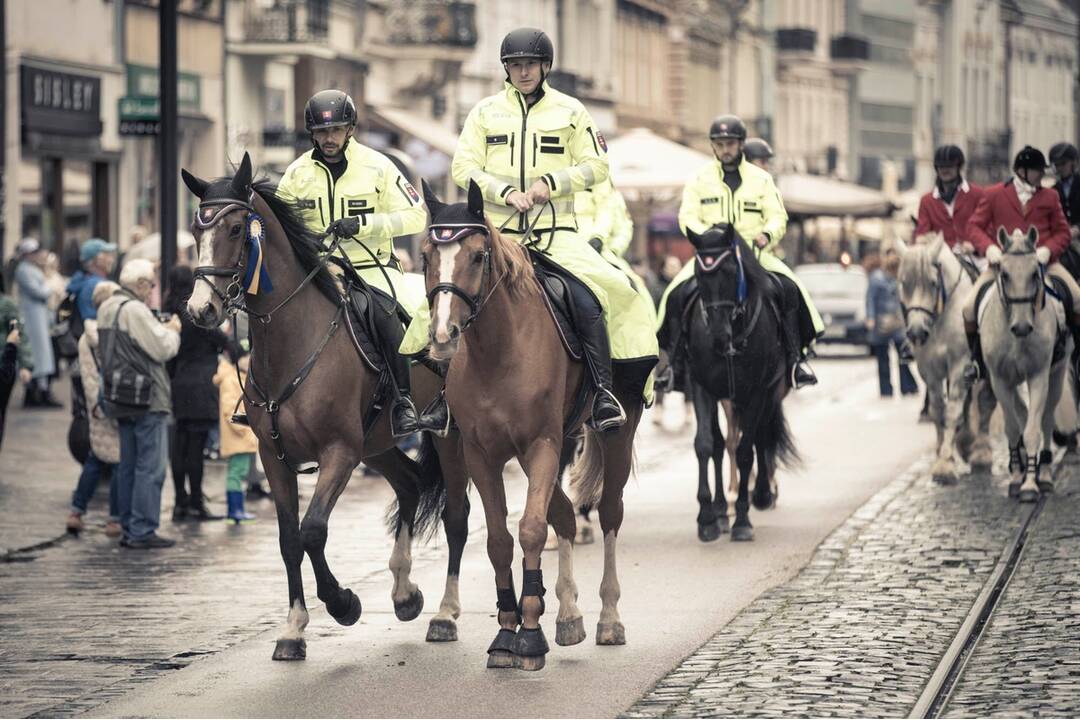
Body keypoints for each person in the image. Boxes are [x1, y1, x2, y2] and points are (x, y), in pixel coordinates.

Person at [400, 27, 659, 431]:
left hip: (556, 235)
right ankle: (437, 401)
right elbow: (464, 166)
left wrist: (551, 185)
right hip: (498, 237)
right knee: (435, 306)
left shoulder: (571, 112)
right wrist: (503, 192)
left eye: (530, 65)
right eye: (515, 65)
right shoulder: (484, 113)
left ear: (545, 67)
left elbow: (597, 166)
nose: (523, 72)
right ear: (506, 69)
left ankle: (606, 393)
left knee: (598, 296)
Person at [276, 89, 427, 438]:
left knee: (384, 313)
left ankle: (404, 401)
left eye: (336, 130)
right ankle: (263, 399)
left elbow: (416, 216)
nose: (329, 139)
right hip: (317, 271)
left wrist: (364, 225)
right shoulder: (297, 174)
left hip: (371, 266)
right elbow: (281, 225)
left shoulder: (379, 166)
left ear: (351, 129)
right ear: (312, 133)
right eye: (322, 132)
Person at [657, 114, 825, 391]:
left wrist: (766, 235)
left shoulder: (761, 179)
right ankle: (673, 364)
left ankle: (796, 360)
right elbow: (688, 216)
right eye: (720, 144)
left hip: (754, 255)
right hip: (712, 256)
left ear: (741, 145)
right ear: (713, 146)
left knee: (788, 288)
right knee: (676, 294)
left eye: (731, 144)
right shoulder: (699, 179)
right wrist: (707, 238)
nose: (726, 149)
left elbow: (776, 216)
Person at [962, 145, 1080, 381]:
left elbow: (1063, 233)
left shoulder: (1050, 196)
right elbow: (973, 227)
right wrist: (990, 249)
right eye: (1038, 171)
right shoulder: (994, 194)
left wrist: (1048, 250)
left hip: (1044, 264)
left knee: (1077, 300)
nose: (1042, 176)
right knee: (967, 307)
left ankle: (1077, 359)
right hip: (1002, 266)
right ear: (1022, 171)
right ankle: (976, 362)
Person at [98, 259, 181, 549]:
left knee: (128, 465)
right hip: (147, 397)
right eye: (151, 285)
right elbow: (162, 348)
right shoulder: (135, 310)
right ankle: (142, 529)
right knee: (151, 467)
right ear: (141, 284)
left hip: (119, 395)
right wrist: (172, 330)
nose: (152, 291)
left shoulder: (108, 306)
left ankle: (125, 523)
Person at [165, 266, 232, 522]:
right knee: (196, 449)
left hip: (179, 382)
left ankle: (180, 502)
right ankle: (196, 502)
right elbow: (224, 342)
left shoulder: (169, 311)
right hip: (201, 385)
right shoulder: (195, 314)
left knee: (179, 445)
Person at [65, 281, 122, 537]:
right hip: (111, 403)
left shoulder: (85, 338)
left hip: (94, 405)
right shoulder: (107, 333)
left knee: (96, 458)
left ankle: (77, 511)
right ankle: (115, 518)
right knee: (119, 459)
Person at [14, 238, 61, 407]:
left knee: (41, 356)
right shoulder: (24, 270)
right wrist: (51, 286)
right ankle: (35, 393)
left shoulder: (30, 269)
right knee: (35, 356)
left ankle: (40, 391)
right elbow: (39, 291)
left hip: (39, 318)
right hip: (32, 320)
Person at [915, 145, 986, 253]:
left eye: (950, 166)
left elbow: (987, 227)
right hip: (941, 258)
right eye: (941, 167)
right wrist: (924, 239)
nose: (945, 170)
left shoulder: (978, 194)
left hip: (974, 255)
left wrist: (975, 245)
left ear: (959, 167)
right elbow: (921, 234)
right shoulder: (926, 201)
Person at [866, 252, 918, 397]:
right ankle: (887, 389)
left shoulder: (900, 279)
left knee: (902, 356)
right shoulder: (876, 279)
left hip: (896, 323)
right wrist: (870, 318)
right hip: (881, 323)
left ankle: (906, 386)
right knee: (884, 358)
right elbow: (870, 299)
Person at [213, 354, 258, 523]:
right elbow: (230, 410)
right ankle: (235, 511)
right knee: (236, 473)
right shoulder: (231, 379)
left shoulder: (240, 377)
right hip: (238, 437)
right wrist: (246, 431)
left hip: (242, 437)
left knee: (239, 472)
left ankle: (237, 510)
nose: (249, 360)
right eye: (245, 357)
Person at [66, 238, 118, 324]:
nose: (112, 260)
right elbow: (94, 322)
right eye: (108, 255)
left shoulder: (84, 280)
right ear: (98, 260)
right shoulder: (95, 285)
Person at [1050, 142, 1080, 235]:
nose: (1059, 168)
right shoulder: (1053, 190)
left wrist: (1078, 228)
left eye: (1063, 163)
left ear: (1074, 162)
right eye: (1056, 165)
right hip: (1063, 237)